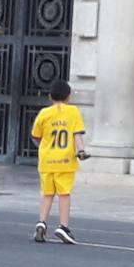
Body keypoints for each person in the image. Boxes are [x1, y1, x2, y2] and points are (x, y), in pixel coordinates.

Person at [31, 80, 88, 245]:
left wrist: (43, 146)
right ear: (68, 97)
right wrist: (81, 151)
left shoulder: (44, 113)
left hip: (47, 160)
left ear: (50, 96)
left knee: (47, 193)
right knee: (64, 194)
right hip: (65, 161)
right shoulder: (73, 112)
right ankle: (63, 226)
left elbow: (36, 135)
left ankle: (41, 222)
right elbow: (77, 134)